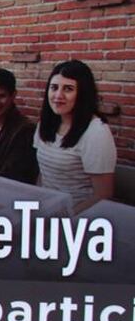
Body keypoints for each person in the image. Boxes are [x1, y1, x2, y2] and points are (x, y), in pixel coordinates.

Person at [34, 59, 116, 212]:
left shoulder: (97, 132)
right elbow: (43, 176)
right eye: (54, 87)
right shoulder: (45, 123)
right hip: (46, 209)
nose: (58, 95)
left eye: (68, 89)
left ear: (82, 94)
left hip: (77, 216)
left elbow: (103, 194)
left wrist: (64, 219)